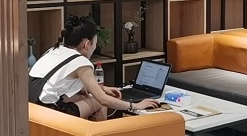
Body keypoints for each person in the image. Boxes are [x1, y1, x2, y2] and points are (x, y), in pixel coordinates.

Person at [30, 15, 158, 120]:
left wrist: (102, 88)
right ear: (87, 44)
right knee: (98, 103)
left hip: (32, 108)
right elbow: (103, 100)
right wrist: (134, 106)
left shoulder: (54, 50)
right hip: (50, 113)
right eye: (95, 44)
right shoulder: (80, 62)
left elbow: (56, 85)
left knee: (86, 97)